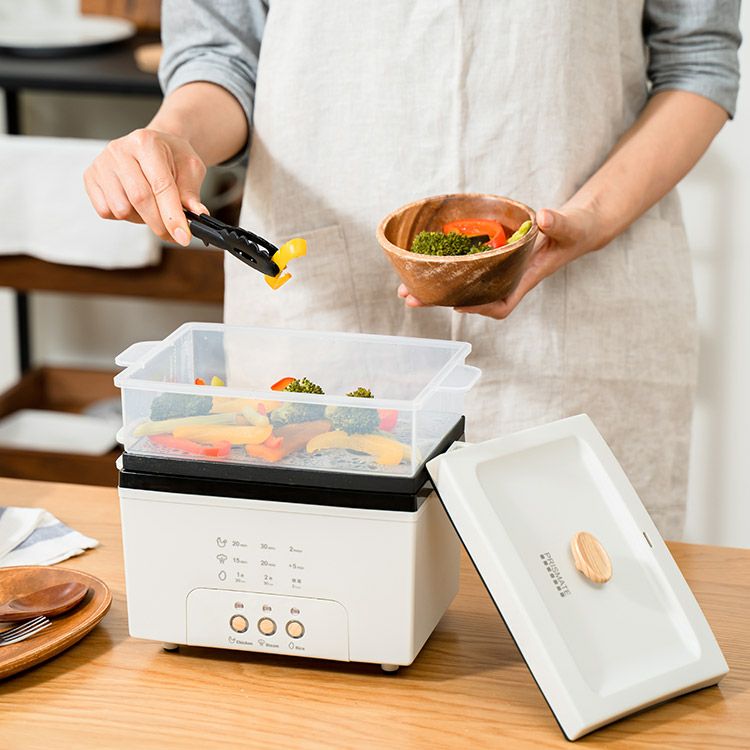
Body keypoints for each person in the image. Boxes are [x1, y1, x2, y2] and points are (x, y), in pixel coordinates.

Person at [84, 1, 741, 538]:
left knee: (579, 612)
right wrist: (176, 137)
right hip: (331, 310)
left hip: (577, 316)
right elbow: (223, 52)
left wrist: (592, 218)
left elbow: (697, 58)